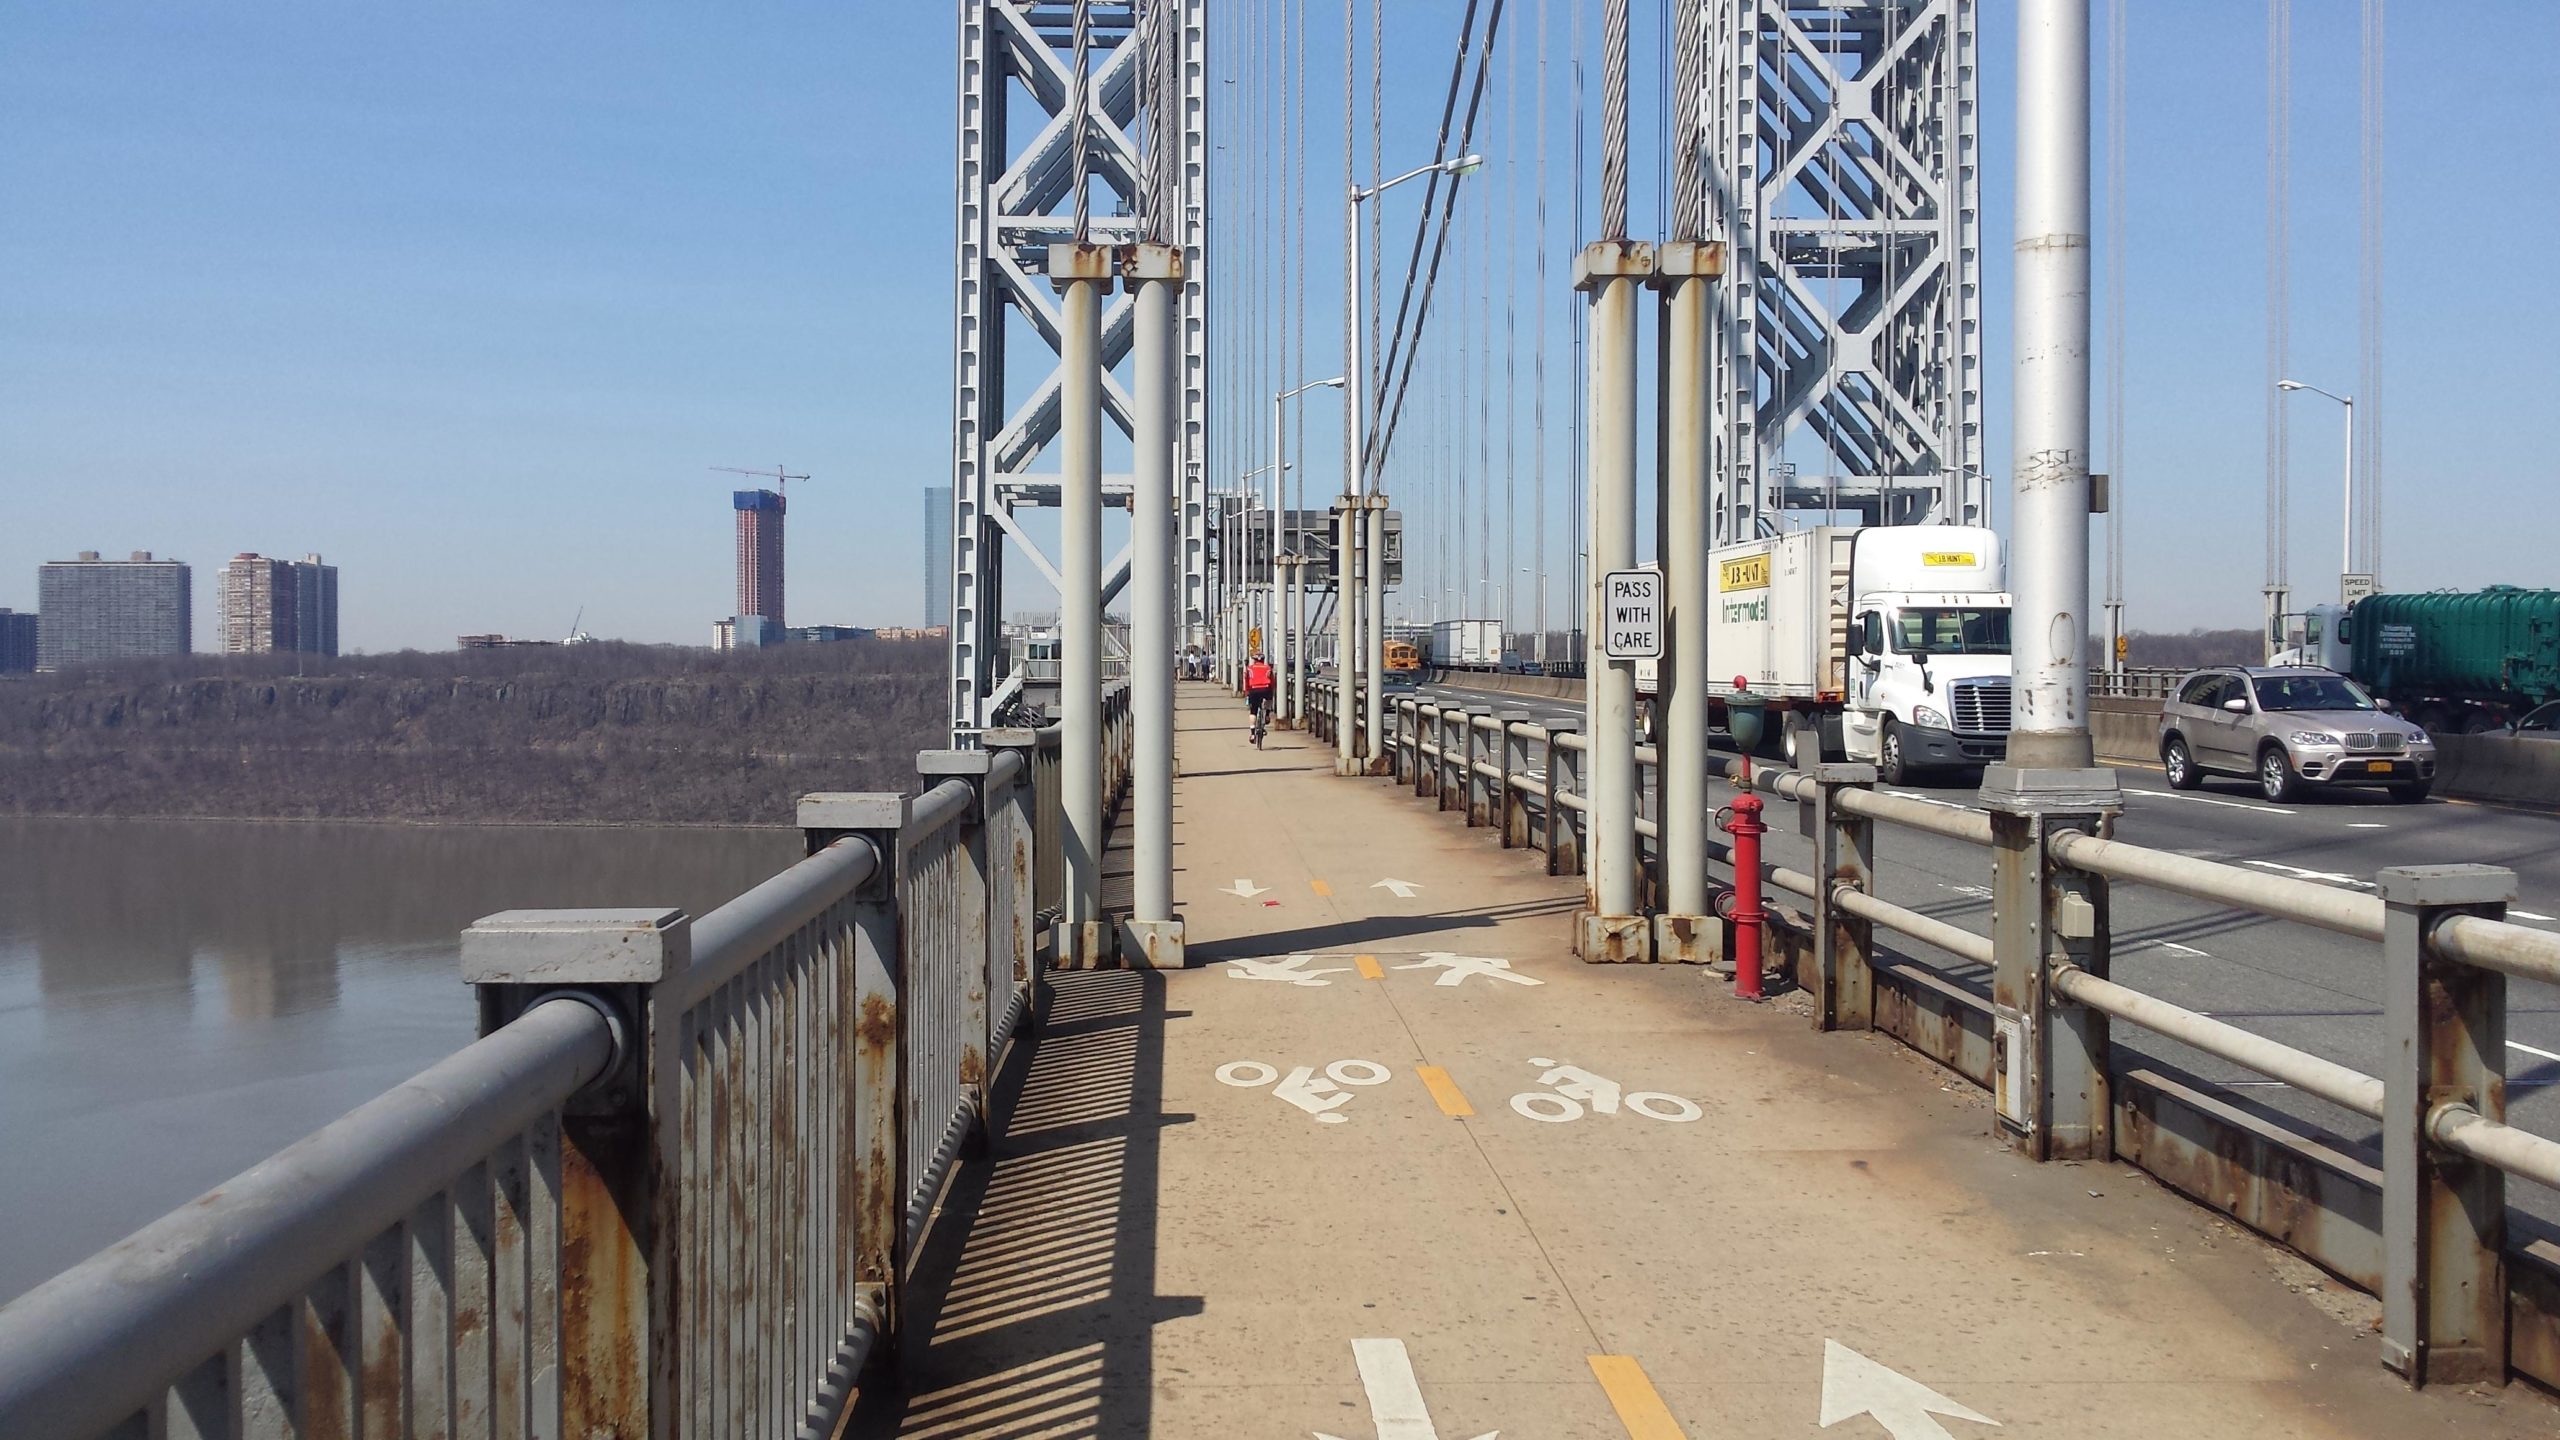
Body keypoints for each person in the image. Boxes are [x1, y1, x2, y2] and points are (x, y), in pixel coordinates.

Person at [1244, 651, 1277, 732]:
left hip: (1253, 689)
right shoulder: (1268, 668)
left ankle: (1252, 733)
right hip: (1266, 688)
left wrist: (1247, 692)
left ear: (1254, 660)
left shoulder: (1250, 668)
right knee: (1269, 700)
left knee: (1253, 711)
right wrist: (1272, 690)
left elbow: (1246, 681)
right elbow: (1272, 682)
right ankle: (1267, 714)